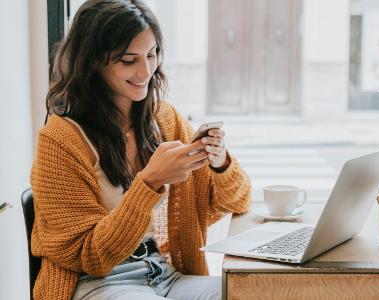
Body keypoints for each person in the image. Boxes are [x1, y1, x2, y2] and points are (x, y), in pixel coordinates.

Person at [29, 0, 251, 299]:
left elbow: (238, 202)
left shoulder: (164, 119)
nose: (145, 70)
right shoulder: (60, 141)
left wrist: (220, 162)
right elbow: (94, 256)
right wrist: (150, 182)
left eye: (151, 54)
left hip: (164, 274)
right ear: (94, 60)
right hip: (99, 282)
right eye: (128, 59)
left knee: (253, 292)